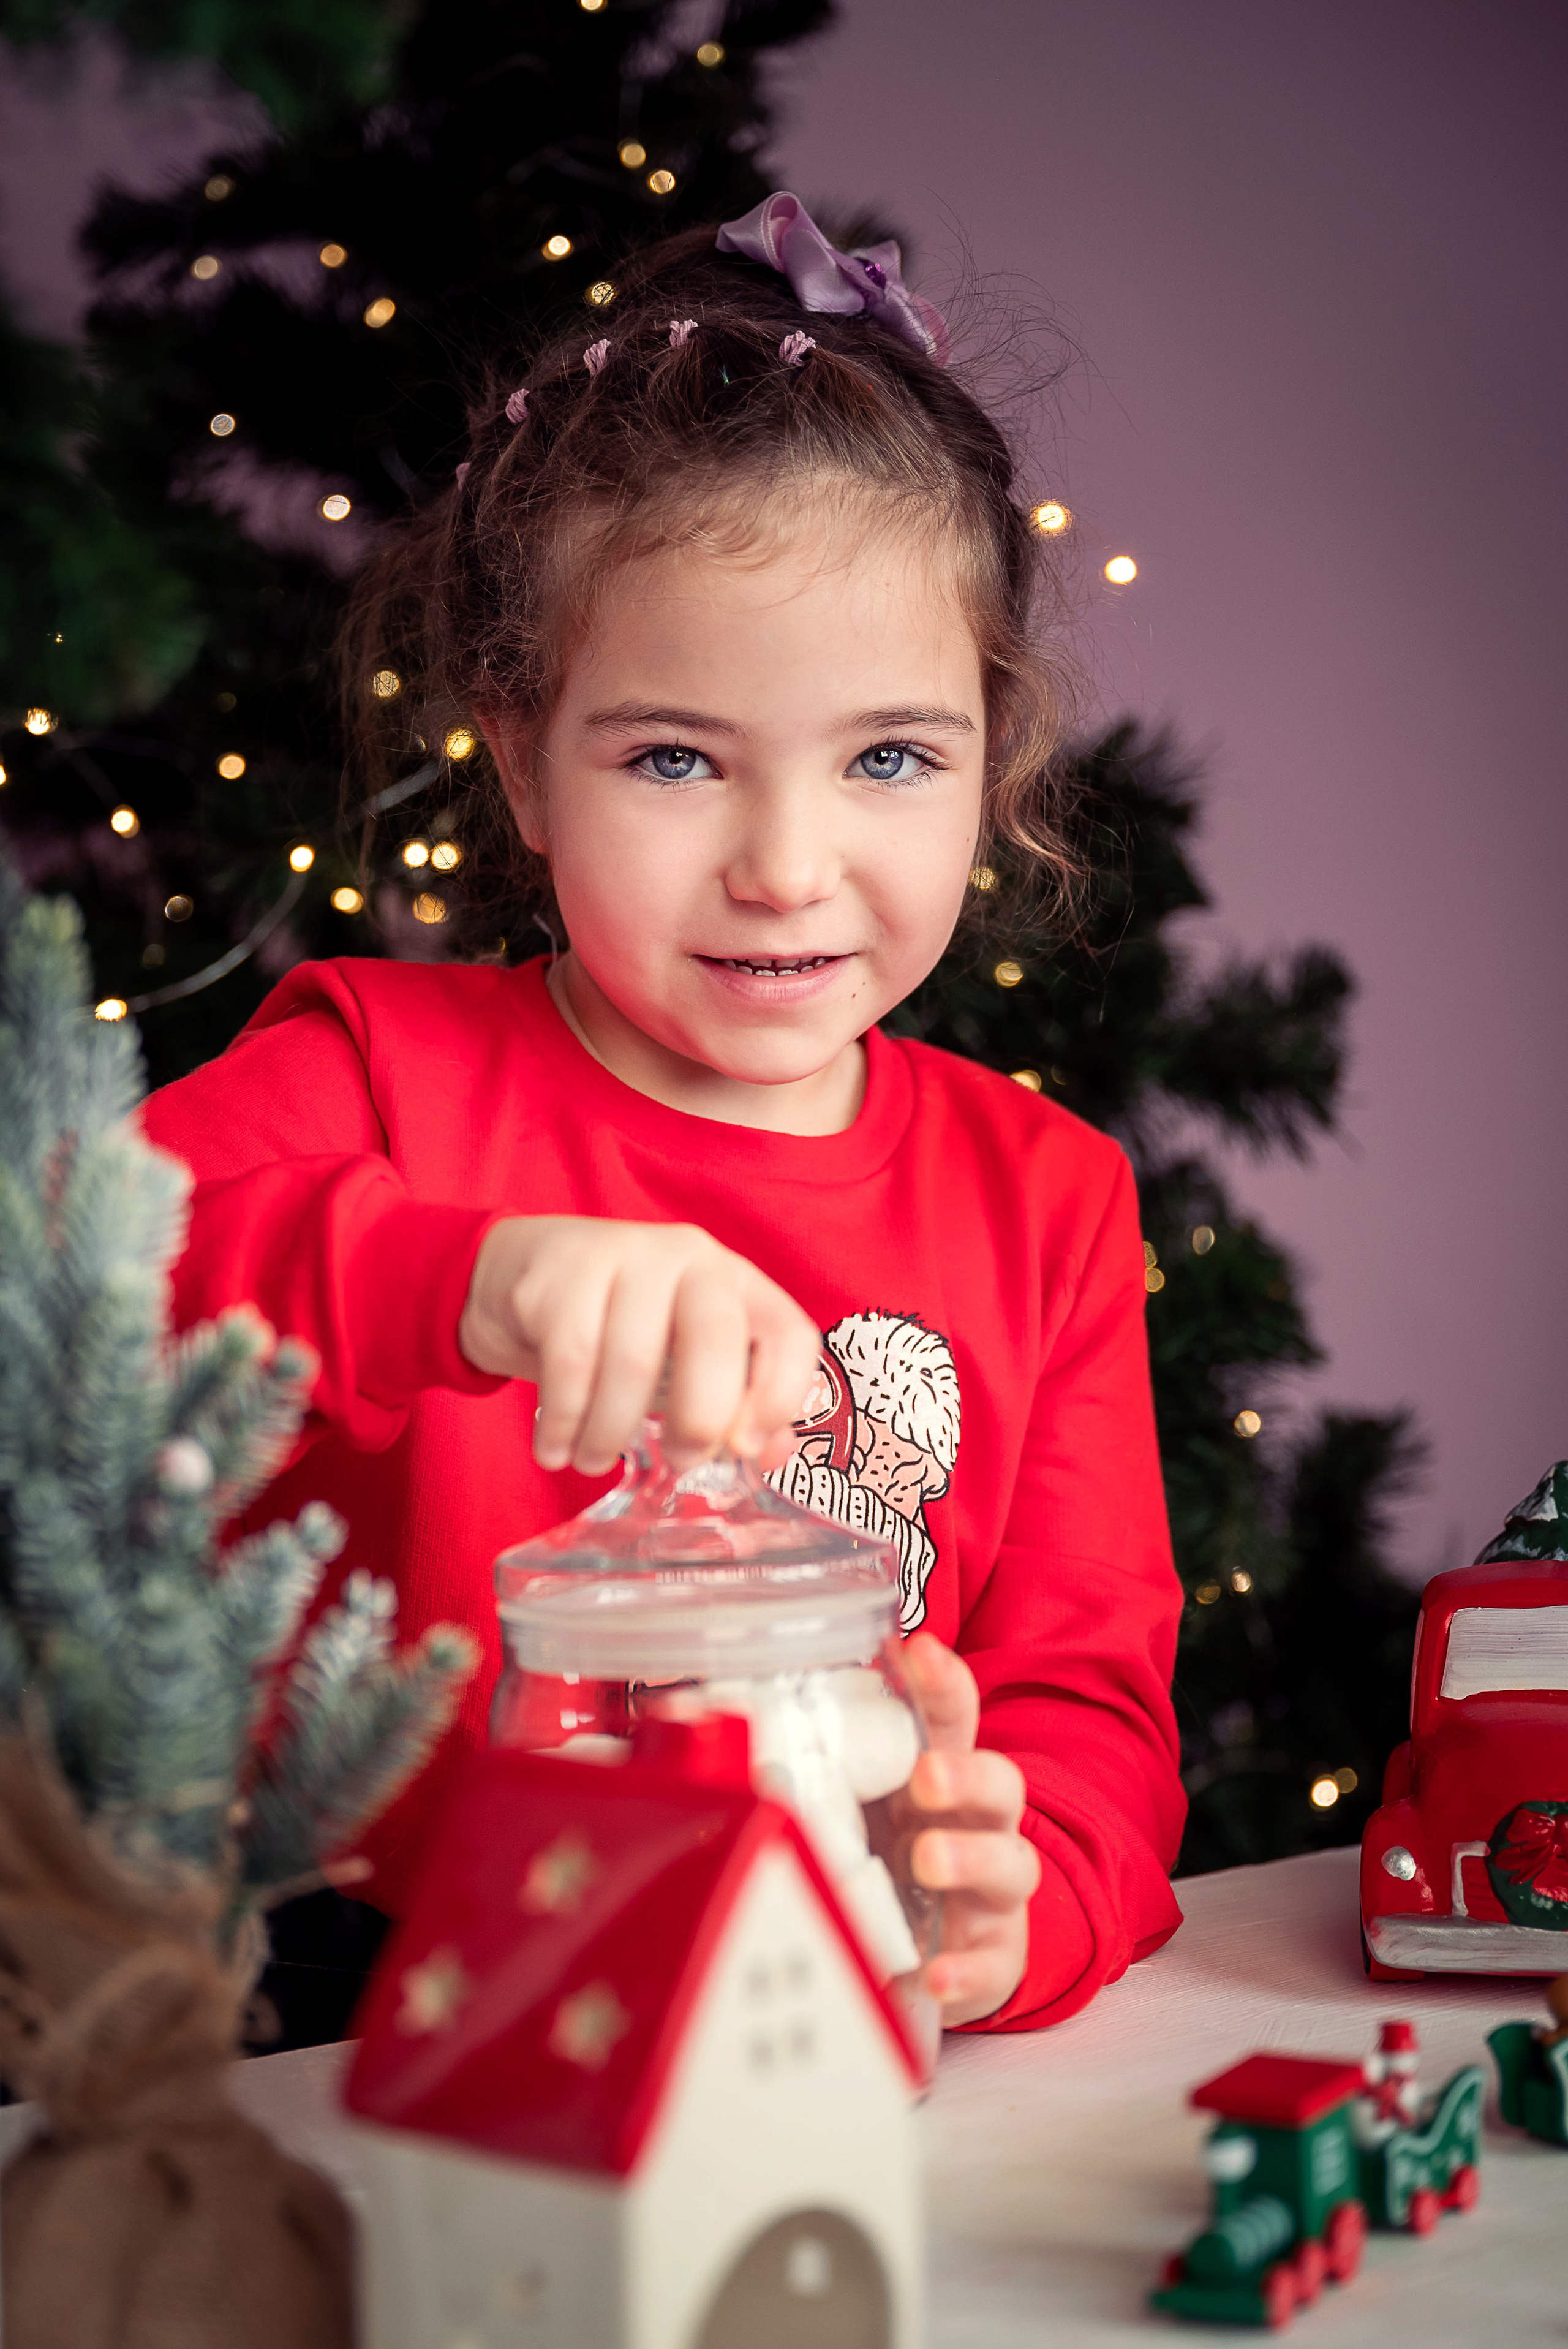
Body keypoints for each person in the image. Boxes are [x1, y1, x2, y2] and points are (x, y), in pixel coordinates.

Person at [145, 194, 1185, 2035]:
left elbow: (1085, 1698)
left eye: (885, 757)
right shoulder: (376, 1071)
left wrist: (1025, 1897)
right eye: (676, 757)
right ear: (524, 753)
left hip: (839, 1996)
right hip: (370, 2002)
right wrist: (457, 1276)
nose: (787, 869)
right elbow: (89, 1279)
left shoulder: (1051, 1200)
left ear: (993, 753)